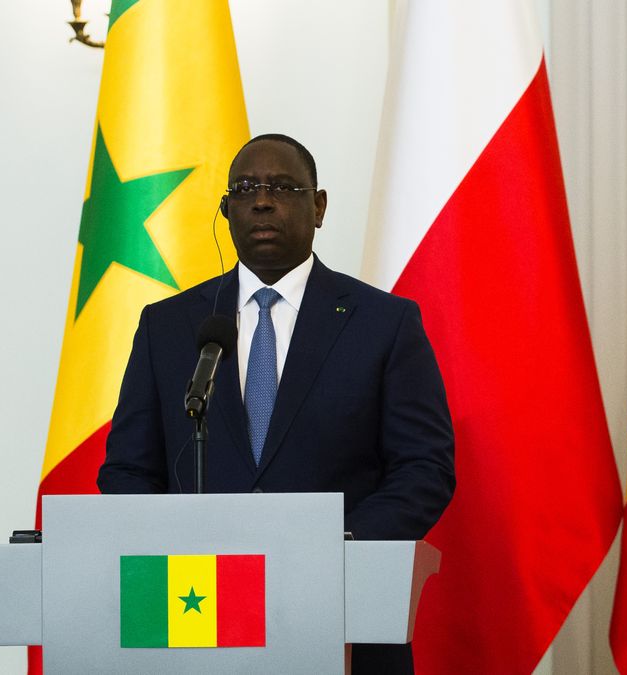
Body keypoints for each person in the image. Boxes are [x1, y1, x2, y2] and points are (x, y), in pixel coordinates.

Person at [98, 133, 455, 672]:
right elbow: (126, 470)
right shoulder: (168, 326)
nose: (261, 201)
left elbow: (424, 467)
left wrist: (336, 545)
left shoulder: (384, 323)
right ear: (226, 210)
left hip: (343, 617)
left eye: (282, 188)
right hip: (197, 617)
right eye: (244, 189)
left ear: (318, 207)